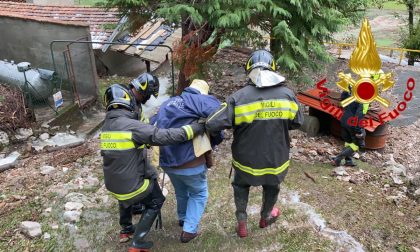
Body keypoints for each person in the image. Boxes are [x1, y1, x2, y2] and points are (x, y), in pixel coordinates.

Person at [205, 49, 304, 238]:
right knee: (272, 186)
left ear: (249, 70)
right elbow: (297, 122)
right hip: (276, 158)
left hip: (246, 160)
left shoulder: (238, 97)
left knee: (241, 186)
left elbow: (212, 123)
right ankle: (266, 217)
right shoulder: (288, 95)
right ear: (273, 68)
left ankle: (242, 223)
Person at [100, 80, 205, 252]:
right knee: (156, 200)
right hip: (130, 186)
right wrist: (193, 129)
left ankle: (126, 229)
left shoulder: (107, 126)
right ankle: (138, 242)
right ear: (128, 102)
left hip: (113, 186)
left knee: (134, 189)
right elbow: (165, 136)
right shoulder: (131, 125)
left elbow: (127, 146)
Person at [153, 79, 223, 243]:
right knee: (199, 193)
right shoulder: (203, 102)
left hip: (167, 161)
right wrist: (216, 139)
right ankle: (189, 230)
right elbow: (217, 124)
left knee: (181, 190)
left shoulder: (169, 102)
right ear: (203, 93)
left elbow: (152, 122)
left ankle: (183, 217)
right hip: (191, 161)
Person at [332, 89, 368, 167]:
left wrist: (346, 89)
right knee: (356, 145)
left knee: (348, 141)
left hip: (344, 120)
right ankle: (338, 158)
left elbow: (343, 100)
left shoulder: (352, 94)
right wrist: (358, 131)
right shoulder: (365, 100)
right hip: (353, 124)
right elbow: (359, 115)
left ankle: (348, 161)